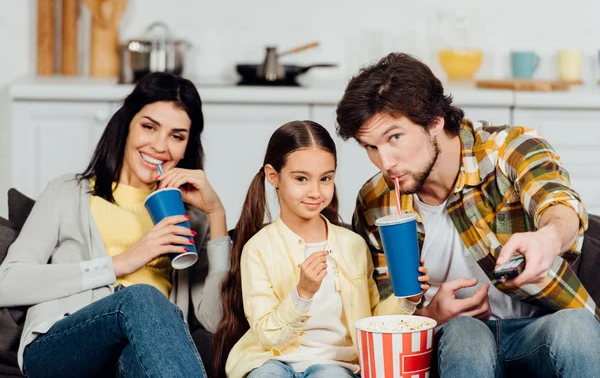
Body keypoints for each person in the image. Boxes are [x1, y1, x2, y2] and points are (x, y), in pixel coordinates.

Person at [335, 52, 600, 377]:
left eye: (395, 137)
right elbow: (383, 312)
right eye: (370, 147)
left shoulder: (506, 150)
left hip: (536, 329)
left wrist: (547, 239)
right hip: (448, 341)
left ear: (435, 121)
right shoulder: (376, 201)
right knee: (465, 332)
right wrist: (431, 315)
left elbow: (559, 204)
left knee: (576, 324)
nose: (385, 161)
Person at [0, 72, 231, 377]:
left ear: (187, 146)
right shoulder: (67, 192)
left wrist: (216, 215)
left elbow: (216, 322)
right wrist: (123, 262)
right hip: (61, 346)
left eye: (177, 136)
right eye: (149, 127)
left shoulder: (191, 220)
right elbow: (7, 283)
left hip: (140, 352)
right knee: (141, 297)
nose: (160, 146)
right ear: (127, 124)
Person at [211, 120, 430, 378]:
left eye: (325, 178)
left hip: (336, 364)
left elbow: (370, 320)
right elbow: (267, 335)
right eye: (301, 178)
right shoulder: (258, 249)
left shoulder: (353, 245)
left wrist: (407, 299)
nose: (315, 192)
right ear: (274, 177)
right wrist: (302, 294)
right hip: (270, 359)